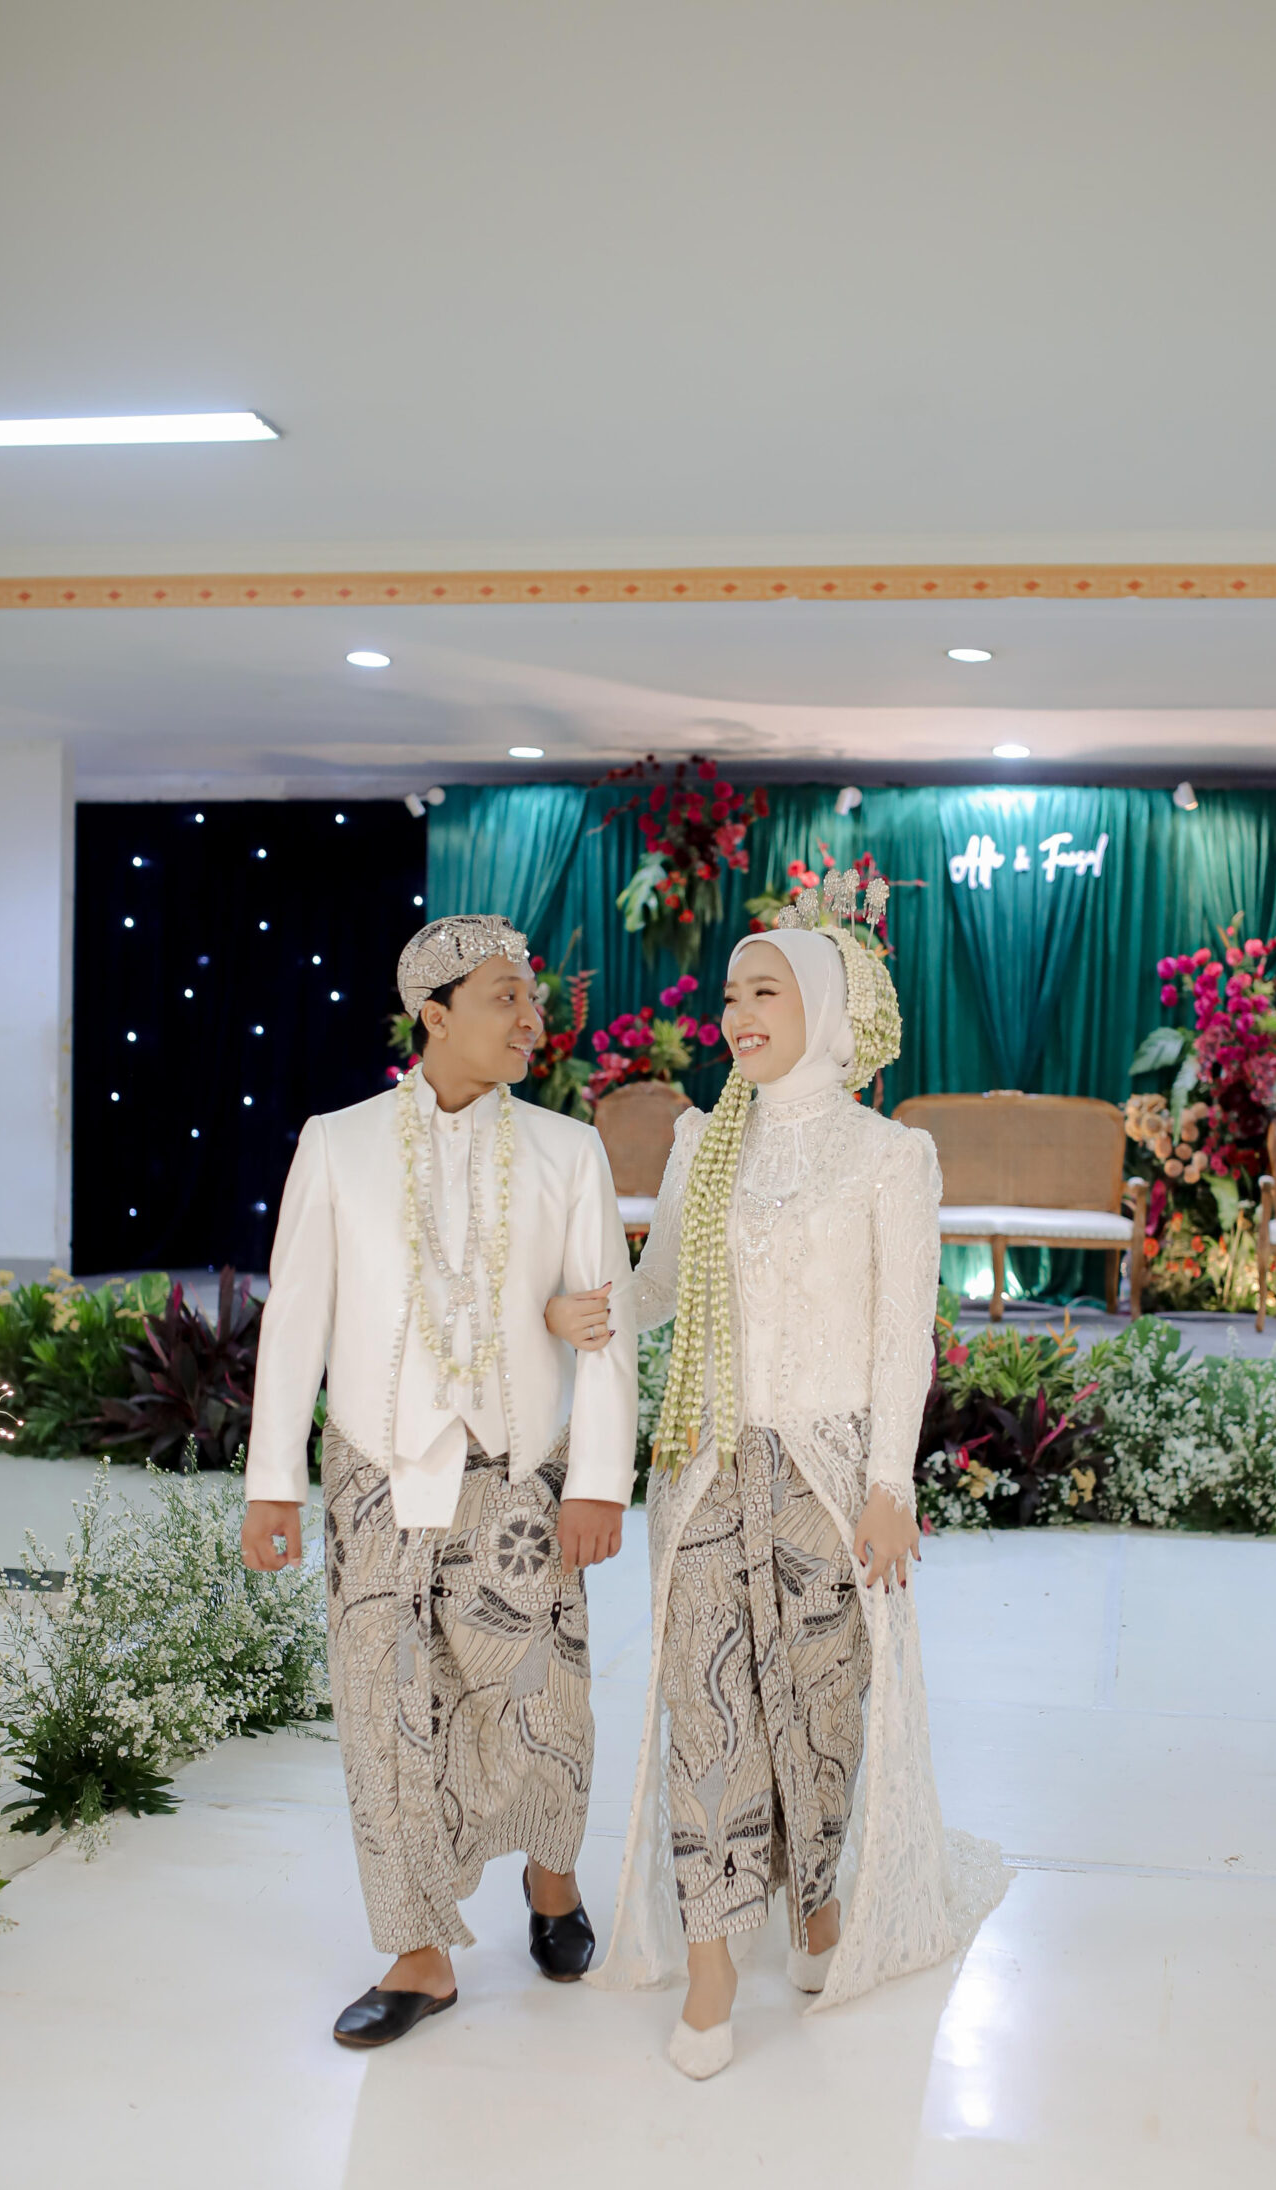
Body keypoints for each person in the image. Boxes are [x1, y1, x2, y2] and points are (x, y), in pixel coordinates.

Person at [549, 870, 1005, 2080]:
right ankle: (710, 1966)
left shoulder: (888, 1155)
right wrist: (588, 1311)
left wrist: (891, 1483)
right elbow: (660, 1286)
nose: (738, 1014)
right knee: (704, 1702)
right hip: (704, 1463)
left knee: (819, 1706)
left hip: (827, 1469)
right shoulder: (704, 1142)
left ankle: (815, 1901)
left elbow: (903, 1331)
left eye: (765, 992)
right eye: (730, 995)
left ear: (824, 1007)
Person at [242, 915, 637, 2049]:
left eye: (533, 999)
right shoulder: (339, 1143)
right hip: (378, 1472)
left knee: (544, 1695)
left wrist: (599, 1480)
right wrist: (272, 1481)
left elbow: (603, 1324)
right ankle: (419, 1953)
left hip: (521, 1477)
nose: (532, 1019)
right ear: (435, 1013)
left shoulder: (568, 1150)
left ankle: (551, 1874)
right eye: (507, 997)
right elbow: (297, 1317)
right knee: (386, 1710)